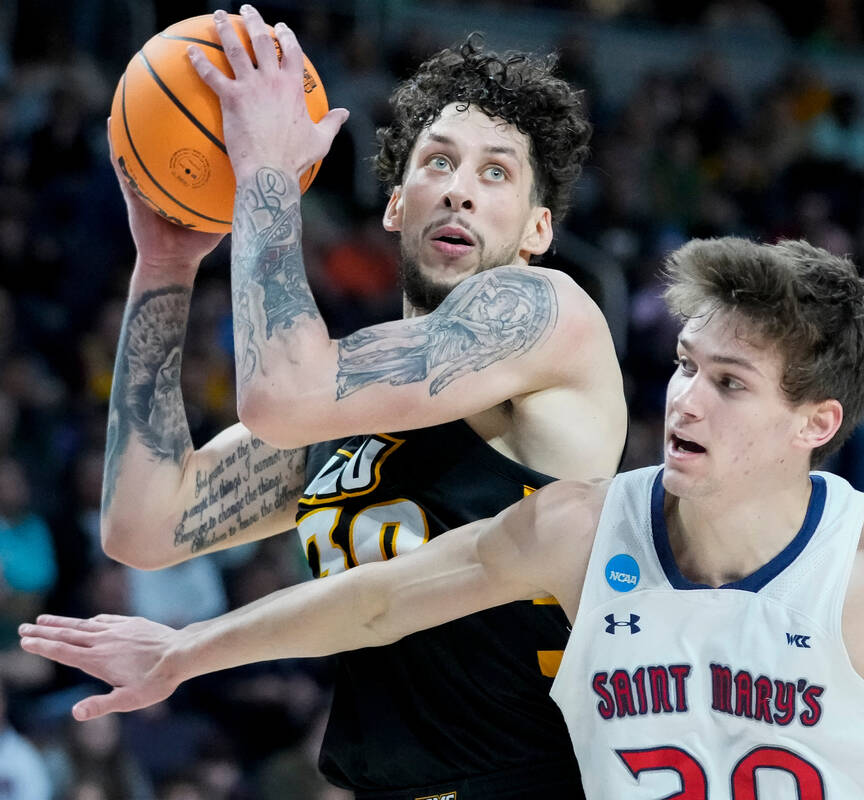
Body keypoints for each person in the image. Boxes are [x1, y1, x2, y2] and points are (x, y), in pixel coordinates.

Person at [24, 235, 864, 798]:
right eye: (686, 364)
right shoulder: (583, 532)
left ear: (816, 423)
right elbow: (381, 597)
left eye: (729, 382)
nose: (683, 394)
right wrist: (186, 648)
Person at [96, 6, 623, 799]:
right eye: (438, 163)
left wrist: (267, 170)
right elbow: (143, 525)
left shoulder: (547, 311)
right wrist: (167, 263)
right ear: (394, 206)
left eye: (496, 172)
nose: (460, 193)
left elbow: (281, 389)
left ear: (538, 229)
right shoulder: (352, 404)